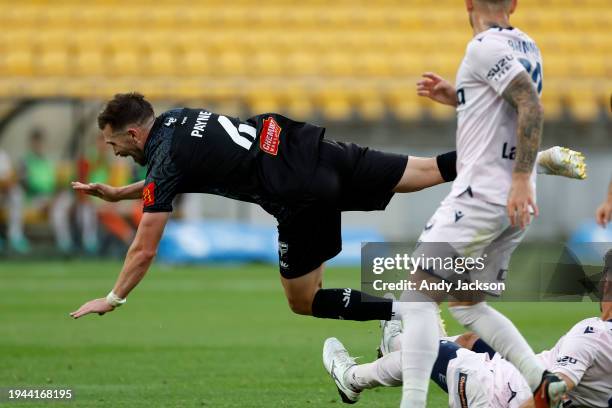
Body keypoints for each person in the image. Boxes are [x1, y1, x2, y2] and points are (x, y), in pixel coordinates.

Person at [394, 0, 572, 406]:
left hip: (485, 195)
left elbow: (529, 104)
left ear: (469, 3)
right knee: (468, 304)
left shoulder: (482, 47)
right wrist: (459, 96)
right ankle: (539, 379)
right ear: (514, 4)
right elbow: (504, 109)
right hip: (511, 205)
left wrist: (523, 178)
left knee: (417, 298)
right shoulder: (528, 45)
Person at [323, 250, 612, 407]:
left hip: (494, 391)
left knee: (424, 351)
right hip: (511, 376)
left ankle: (351, 378)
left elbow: (550, 394)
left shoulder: (592, 335)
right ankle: (398, 343)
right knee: (471, 340)